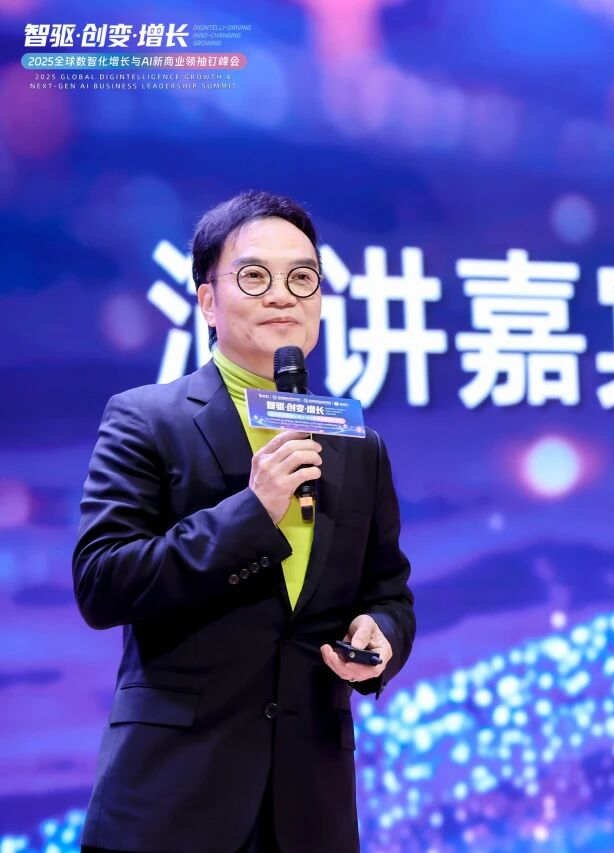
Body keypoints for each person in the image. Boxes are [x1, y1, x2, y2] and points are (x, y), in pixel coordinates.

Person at [72, 190, 415, 852]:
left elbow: (389, 591)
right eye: (255, 276)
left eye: (303, 278)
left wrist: (383, 638)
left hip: (310, 808)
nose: (283, 295)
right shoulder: (146, 419)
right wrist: (251, 514)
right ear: (208, 302)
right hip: (173, 799)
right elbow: (102, 581)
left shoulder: (357, 444)